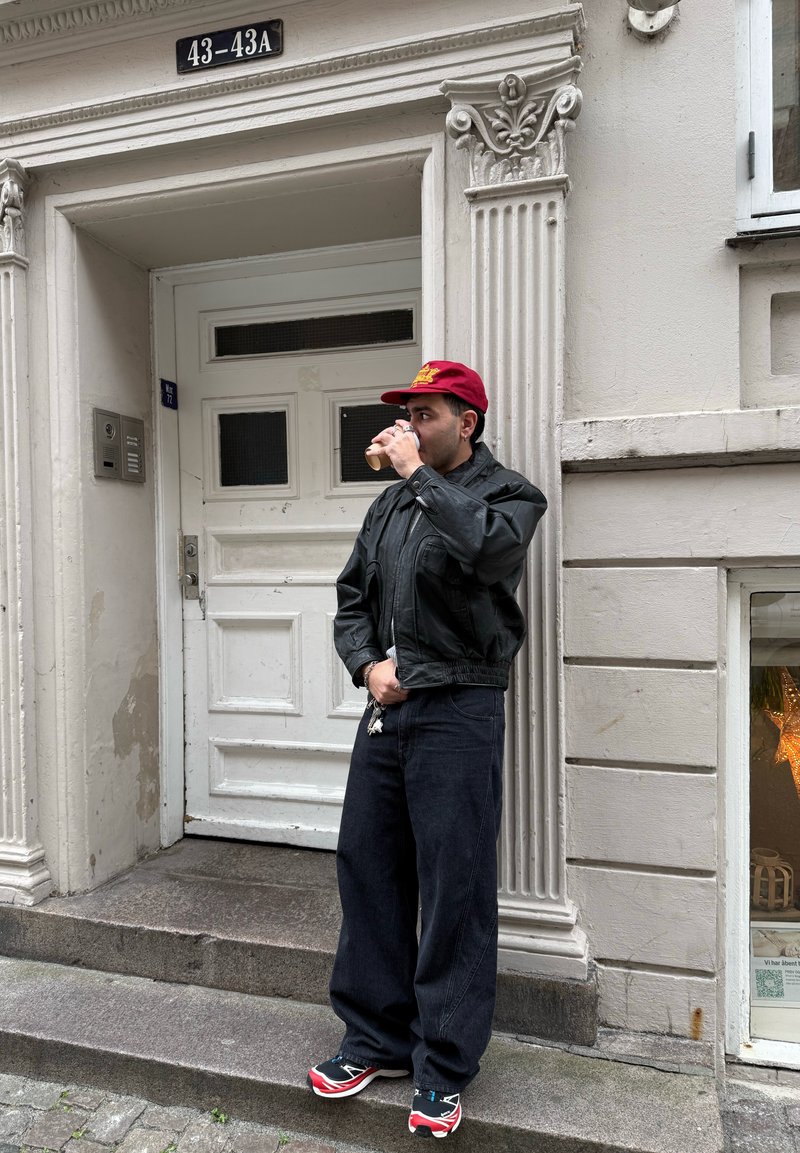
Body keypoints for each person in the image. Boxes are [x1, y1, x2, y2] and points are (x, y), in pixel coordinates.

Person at [307, 361, 547, 1138]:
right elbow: (352, 598)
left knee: (454, 885)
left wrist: (417, 474)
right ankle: (375, 1039)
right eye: (406, 415)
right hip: (389, 709)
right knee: (369, 869)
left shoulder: (510, 495)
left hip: (460, 707)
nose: (409, 427)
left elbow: (489, 553)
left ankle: (443, 1066)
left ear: (466, 422)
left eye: (426, 415)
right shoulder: (386, 506)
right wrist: (366, 666)